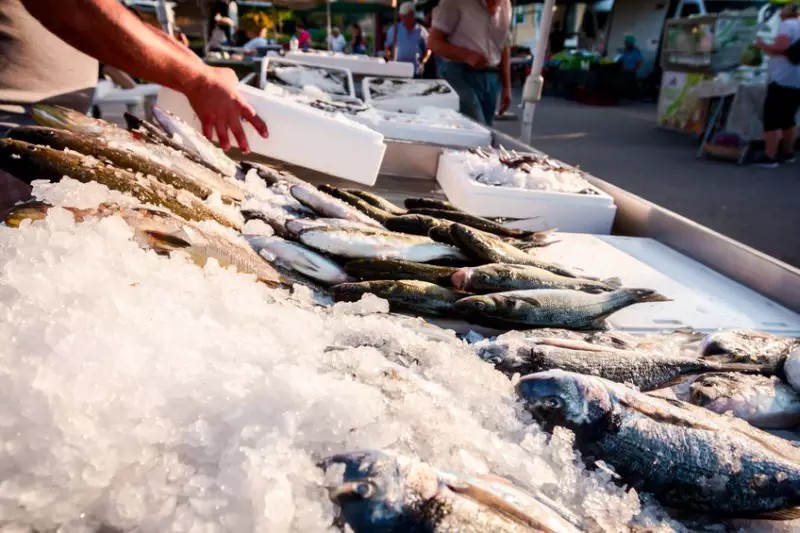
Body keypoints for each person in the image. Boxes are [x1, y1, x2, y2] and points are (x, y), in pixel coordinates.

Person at [0, 0, 268, 213]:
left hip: (48, 137)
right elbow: (75, 9)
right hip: (12, 141)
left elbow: (102, 15)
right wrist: (197, 79)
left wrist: (187, 64)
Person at [428, 0, 512, 126]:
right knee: (477, 129)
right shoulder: (454, 2)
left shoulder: (506, 5)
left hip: (490, 77)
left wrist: (507, 86)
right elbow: (433, 42)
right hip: (458, 74)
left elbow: (504, 45)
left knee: (487, 129)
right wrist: (466, 55)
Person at [753, 3, 800, 167]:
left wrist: (762, 45)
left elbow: (782, 47)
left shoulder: (788, 25)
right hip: (797, 80)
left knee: (771, 117)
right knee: (788, 118)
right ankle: (787, 153)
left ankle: (769, 155)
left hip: (782, 78)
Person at [384, 2, 430, 77]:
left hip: (415, 72)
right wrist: (391, 60)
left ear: (412, 15)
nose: (403, 18)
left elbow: (428, 49)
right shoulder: (394, 29)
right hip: (397, 71)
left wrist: (423, 62)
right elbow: (387, 48)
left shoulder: (421, 31)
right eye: (401, 16)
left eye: (405, 16)